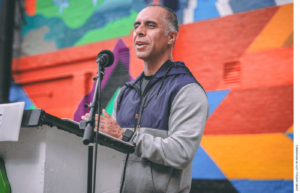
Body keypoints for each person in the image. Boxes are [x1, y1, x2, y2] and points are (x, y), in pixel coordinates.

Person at [82, 5, 209, 193]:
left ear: (171, 37)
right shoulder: (126, 92)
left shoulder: (187, 90)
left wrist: (123, 135)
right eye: (136, 26)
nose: (139, 32)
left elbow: (181, 153)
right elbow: (117, 149)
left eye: (150, 25)